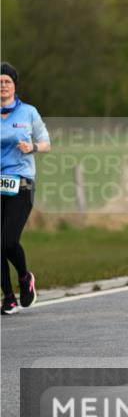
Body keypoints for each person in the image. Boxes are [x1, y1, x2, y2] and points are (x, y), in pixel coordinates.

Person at [1, 62, 51, 315]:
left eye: (7, 81)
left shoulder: (29, 112)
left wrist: (31, 148)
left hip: (21, 184)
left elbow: (46, 143)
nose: (2, 86)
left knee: (7, 240)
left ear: (15, 85)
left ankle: (24, 277)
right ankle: (8, 298)